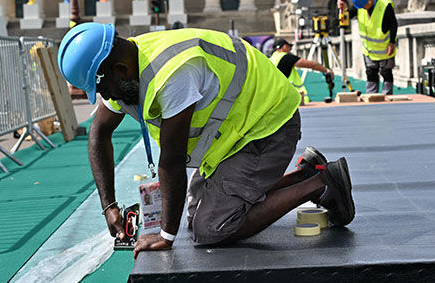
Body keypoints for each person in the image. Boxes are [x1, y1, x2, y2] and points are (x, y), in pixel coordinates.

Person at [57, 24, 355, 259]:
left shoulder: (172, 73)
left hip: (269, 128)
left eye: (104, 88)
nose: (107, 98)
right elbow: (99, 134)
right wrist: (108, 205)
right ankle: (305, 173)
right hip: (236, 137)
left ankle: (322, 183)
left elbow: (171, 162)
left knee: (211, 228)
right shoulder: (126, 64)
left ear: (120, 70)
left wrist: (165, 237)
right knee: (193, 217)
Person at [337, 0, 397, 95]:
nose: (362, 8)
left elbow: (393, 24)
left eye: (364, 5)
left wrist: (392, 43)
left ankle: (387, 97)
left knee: (386, 73)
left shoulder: (385, 5)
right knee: (371, 73)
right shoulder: (360, 5)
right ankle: (371, 96)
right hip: (368, 50)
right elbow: (346, 17)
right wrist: (343, 10)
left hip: (385, 48)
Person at [269, 38, 334, 104]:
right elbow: (312, 64)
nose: (290, 50)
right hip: (292, 99)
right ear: (285, 46)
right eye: (290, 47)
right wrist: (326, 70)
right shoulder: (286, 57)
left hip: (278, 98)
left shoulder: (271, 59)